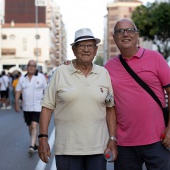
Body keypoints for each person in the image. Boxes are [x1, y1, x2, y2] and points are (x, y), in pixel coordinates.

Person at [38, 28, 117, 170]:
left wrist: (112, 139)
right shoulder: (60, 73)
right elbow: (47, 107)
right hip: (68, 149)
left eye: (90, 46)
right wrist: (43, 137)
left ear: (95, 49)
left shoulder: (103, 73)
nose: (86, 49)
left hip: (98, 149)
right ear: (74, 50)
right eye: (81, 45)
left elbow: (110, 108)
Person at [105, 18, 170, 170]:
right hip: (125, 144)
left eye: (129, 30)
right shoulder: (108, 67)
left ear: (136, 35)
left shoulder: (155, 58)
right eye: (120, 31)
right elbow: (110, 106)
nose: (125, 34)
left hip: (158, 141)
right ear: (114, 38)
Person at [14, 60, 47, 154]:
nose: (31, 67)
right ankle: (35, 143)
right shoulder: (22, 78)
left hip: (38, 106)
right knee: (30, 127)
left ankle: (32, 146)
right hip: (26, 107)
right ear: (27, 67)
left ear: (36, 67)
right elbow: (18, 91)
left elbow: (46, 90)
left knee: (34, 125)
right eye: (29, 65)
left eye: (33, 65)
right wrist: (16, 103)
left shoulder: (41, 77)